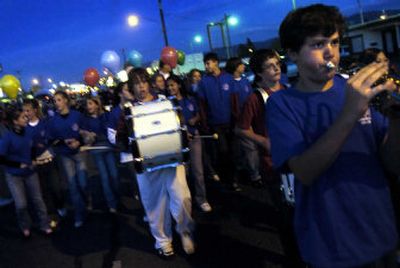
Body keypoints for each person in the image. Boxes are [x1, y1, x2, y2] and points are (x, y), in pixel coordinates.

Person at [266, 4, 400, 267]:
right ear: (292, 53)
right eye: (318, 44)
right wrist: (351, 111)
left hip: (383, 231)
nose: (331, 52)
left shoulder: (354, 88)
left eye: (335, 42)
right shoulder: (282, 103)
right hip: (332, 244)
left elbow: (393, 162)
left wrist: (396, 117)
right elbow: (304, 171)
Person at [117, 68, 195, 257]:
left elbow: (179, 124)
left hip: (172, 160)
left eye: (143, 82)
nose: (141, 86)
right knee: (154, 205)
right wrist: (128, 138)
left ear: (149, 83)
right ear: (131, 87)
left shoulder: (165, 102)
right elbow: (120, 139)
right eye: (136, 83)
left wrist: (184, 134)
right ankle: (162, 241)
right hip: (147, 165)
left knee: (182, 198)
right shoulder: (129, 111)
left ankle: (184, 230)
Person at [0, 107, 52, 237]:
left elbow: (33, 147)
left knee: (38, 200)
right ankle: (25, 226)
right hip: (14, 175)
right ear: (15, 121)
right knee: (21, 204)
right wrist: (18, 164)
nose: (26, 118)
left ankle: (44, 224)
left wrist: (33, 159)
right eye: (23, 117)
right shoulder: (7, 138)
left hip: (30, 172)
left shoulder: (29, 132)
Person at [166, 74, 212, 213]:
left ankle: (201, 199)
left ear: (179, 85)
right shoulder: (168, 105)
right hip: (177, 142)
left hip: (195, 139)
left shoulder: (190, 99)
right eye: (168, 86)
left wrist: (195, 119)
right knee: (181, 175)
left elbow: (198, 113)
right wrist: (183, 131)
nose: (170, 88)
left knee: (198, 172)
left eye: (172, 85)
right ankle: (185, 201)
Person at [197, 52, 240, 191]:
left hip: (230, 122)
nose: (206, 66)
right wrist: (204, 122)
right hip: (215, 123)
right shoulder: (203, 82)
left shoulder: (228, 78)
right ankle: (227, 178)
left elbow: (234, 100)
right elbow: (202, 104)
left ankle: (234, 179)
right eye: (205, 64)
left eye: (208, 63)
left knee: (233, 151)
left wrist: (237, 118)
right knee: (223, 150)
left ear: (215, 62)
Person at [47, 91, 88, 228]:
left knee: (82, 183)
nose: (56, 103)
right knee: (73, 186)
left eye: (59, 100)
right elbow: (51, 140)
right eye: (55, 101)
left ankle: (86, 202)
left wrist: (79, 142)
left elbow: (85, 132)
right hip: (65, 156)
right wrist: (65, 142)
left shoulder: (77, 115)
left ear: (65, 101)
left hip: (79, 153)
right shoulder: (53, 121)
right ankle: (79, 215)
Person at [23, 99, 67, 221]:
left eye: (28, 110)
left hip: (49, 160)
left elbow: (52, 138)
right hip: (36, 164)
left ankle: (61, 206)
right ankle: (50, 213)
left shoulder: (44, 123)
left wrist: (46, 143)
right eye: (24, 111)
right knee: (43, 190)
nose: (26, 113)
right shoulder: (24, 128)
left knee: (56, 187)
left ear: (35, 110)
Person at [81, 96, 119, 213]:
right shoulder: (86, 120)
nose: (89, 107)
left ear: (97, 105)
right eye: (87, 104)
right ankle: (111, 203)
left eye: (91, 103)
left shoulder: (106, 116)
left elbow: (110, 131)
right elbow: (86, 140)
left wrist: (98, 134)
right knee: (104, 177)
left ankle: (118, 197)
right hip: (97, 150)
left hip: (108, 148)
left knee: (114, 175)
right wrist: (88, 137)